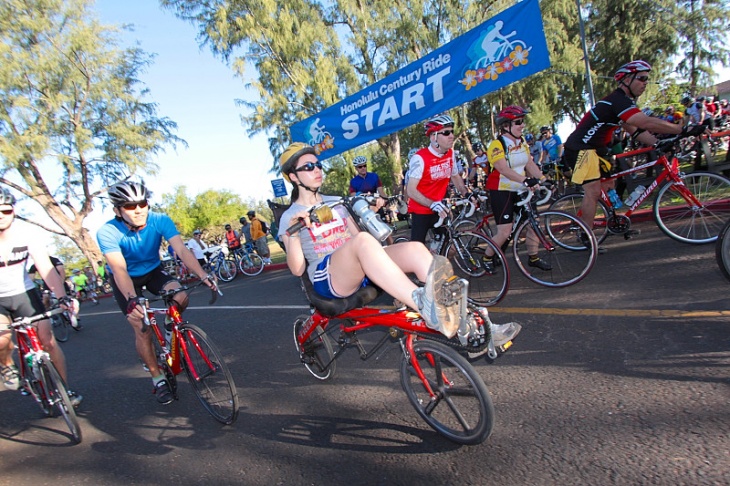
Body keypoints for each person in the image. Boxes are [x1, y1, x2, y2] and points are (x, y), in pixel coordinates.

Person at [276, 143, 522, 344]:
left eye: (318, 164)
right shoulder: (291, 215)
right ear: (292, 176)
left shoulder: (337, 201)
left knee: (415, 249)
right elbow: (297, 269)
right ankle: (423, 304)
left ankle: (476, 325)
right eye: (308, 166)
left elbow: (357, 237)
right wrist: (295, 233)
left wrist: (372, 212)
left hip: (356, 265)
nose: (317, 170)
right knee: (362, 242)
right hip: (327, 278)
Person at [96, 181, 217, 405]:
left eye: (142, 203)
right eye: (131, 206)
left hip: (153, 271)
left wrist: (203, 275)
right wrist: (132, 300)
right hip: (126, 278)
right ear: (117, 211)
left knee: (180, 295)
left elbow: (181, 249)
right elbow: (119, 268)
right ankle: (158, 378)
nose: (139, 209)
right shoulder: (107, 232)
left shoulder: (159, 220)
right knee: (142, 327)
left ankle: (171, 332)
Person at [563, 60, 703, 233]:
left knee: (609, 185)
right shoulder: (617, 101)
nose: (645, 83)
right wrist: (682, 130)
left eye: (647, 79)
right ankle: (586, 234)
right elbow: (645, 122)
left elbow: (635, 131)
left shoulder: (624, 104)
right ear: (627, 79)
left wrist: (658, 143)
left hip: (598, 149)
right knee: (592, 191)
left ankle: (615, 223)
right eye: (642, 78)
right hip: (580, 148)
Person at [0, 188, 83, 405]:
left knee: (48, 341)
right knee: (2, 340)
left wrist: (62, 296)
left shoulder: (26, 234)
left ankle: (64, 391)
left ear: (13, 211)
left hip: (24, 293)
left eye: (6, 210)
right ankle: (7, 365)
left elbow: (46, 268)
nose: (1, 215)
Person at [482, 105, 550, 272]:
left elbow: (529, 163)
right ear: (506, 126)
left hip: (520, 189)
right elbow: (503, 169)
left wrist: (543, 179)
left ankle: (533, 257)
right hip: (501, 190)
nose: (522, 125)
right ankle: (486, 257)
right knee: (505, 231)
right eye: (518, 122)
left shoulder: (522, 143)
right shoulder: (497, 145)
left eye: (522, 121)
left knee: (533, 223)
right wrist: (526, 180)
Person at [406, 114, 471, 243]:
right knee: (417, 252)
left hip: (439, 208)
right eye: (446, 133)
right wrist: (431, 204)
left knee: (449, 248)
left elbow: (455, 177)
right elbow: (411, 190)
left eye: (452, 132)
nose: (451, 135)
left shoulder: (451, 154)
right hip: (421, 210)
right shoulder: (420, 158)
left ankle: (435, 258)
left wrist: (467, 193)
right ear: (433, 137)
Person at [28, 255, 82, 330]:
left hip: (59, 281)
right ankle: (50, 317)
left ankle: (75, 317)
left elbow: (61, 271)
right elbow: (31, 278)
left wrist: (61, 283)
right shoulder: (34, 265)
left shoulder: (53, 259)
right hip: (47, 284)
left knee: (69, 301)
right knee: (45, 299)